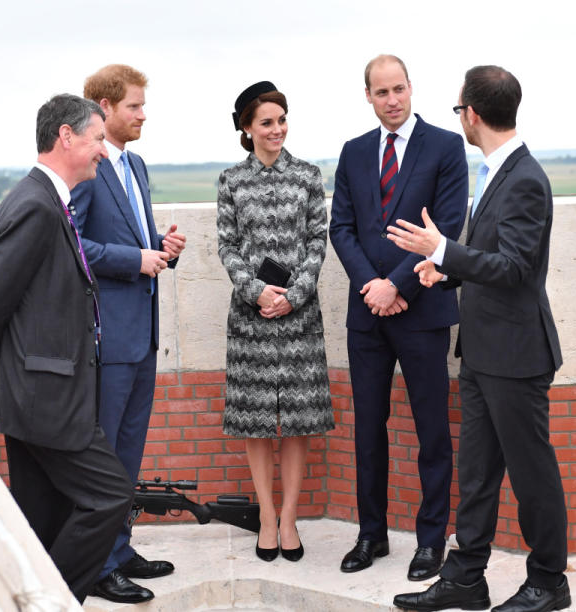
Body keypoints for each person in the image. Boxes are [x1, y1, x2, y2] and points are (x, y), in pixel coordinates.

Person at [389, 65, 570, 612]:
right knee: (477, 475)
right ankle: (466, 578)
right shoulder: (497, 171)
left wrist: (442, 250)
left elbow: (516, 267)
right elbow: (493, 259)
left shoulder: (524, 178)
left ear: (471, 114)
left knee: (532, 475)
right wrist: (447, 271)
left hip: (517, 356)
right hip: (483, 352)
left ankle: (548, 583)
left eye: (458, 109)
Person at [0, 94, 133, 603]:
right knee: (110, 497)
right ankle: (51, 601)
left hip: (42, 391)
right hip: (45, 397)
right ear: (66, 137)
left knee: (41, 514)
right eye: (98, 138)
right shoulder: (35, 204)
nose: (103, 150)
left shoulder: (48, 199)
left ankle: (19, 593)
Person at [328, 55, 468, 581]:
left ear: (412, 89)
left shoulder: (445, 147)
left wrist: (398, 285)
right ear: (367, 95)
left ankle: (431, 541)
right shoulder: (354, 152)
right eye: (381, 92)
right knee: (370, 430)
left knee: (432, 432)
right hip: (368, 315)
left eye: (399, 89)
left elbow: (449, 227)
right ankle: (372, 535)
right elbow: (341, 227)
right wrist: (374, 288)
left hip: (423, 312)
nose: (392, 100)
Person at [71, 64, 185, 604]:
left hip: (143, 337)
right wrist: (135, 259)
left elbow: (134, 240)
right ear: (103, 107)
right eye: (134, 106)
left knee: (130, 454)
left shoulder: (135, 165)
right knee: (107, 457)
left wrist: (160, 245)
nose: (143, 115)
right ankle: (98, 567)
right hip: (108, 341)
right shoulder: (88, 167)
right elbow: (73, 248)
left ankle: (121, 548)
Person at [216, 81, 334, 563]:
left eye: (282, 120)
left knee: (298, 424)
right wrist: (256, 290)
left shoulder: (308, 176)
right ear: (247, 128)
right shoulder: (230, 181)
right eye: (266, 122)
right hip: (250, 318)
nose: (277, 129)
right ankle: (266, 516)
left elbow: (317, 241)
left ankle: (289, 518)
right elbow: (226, 245)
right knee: (258, 424)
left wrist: (294, 294)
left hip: (299, 316)